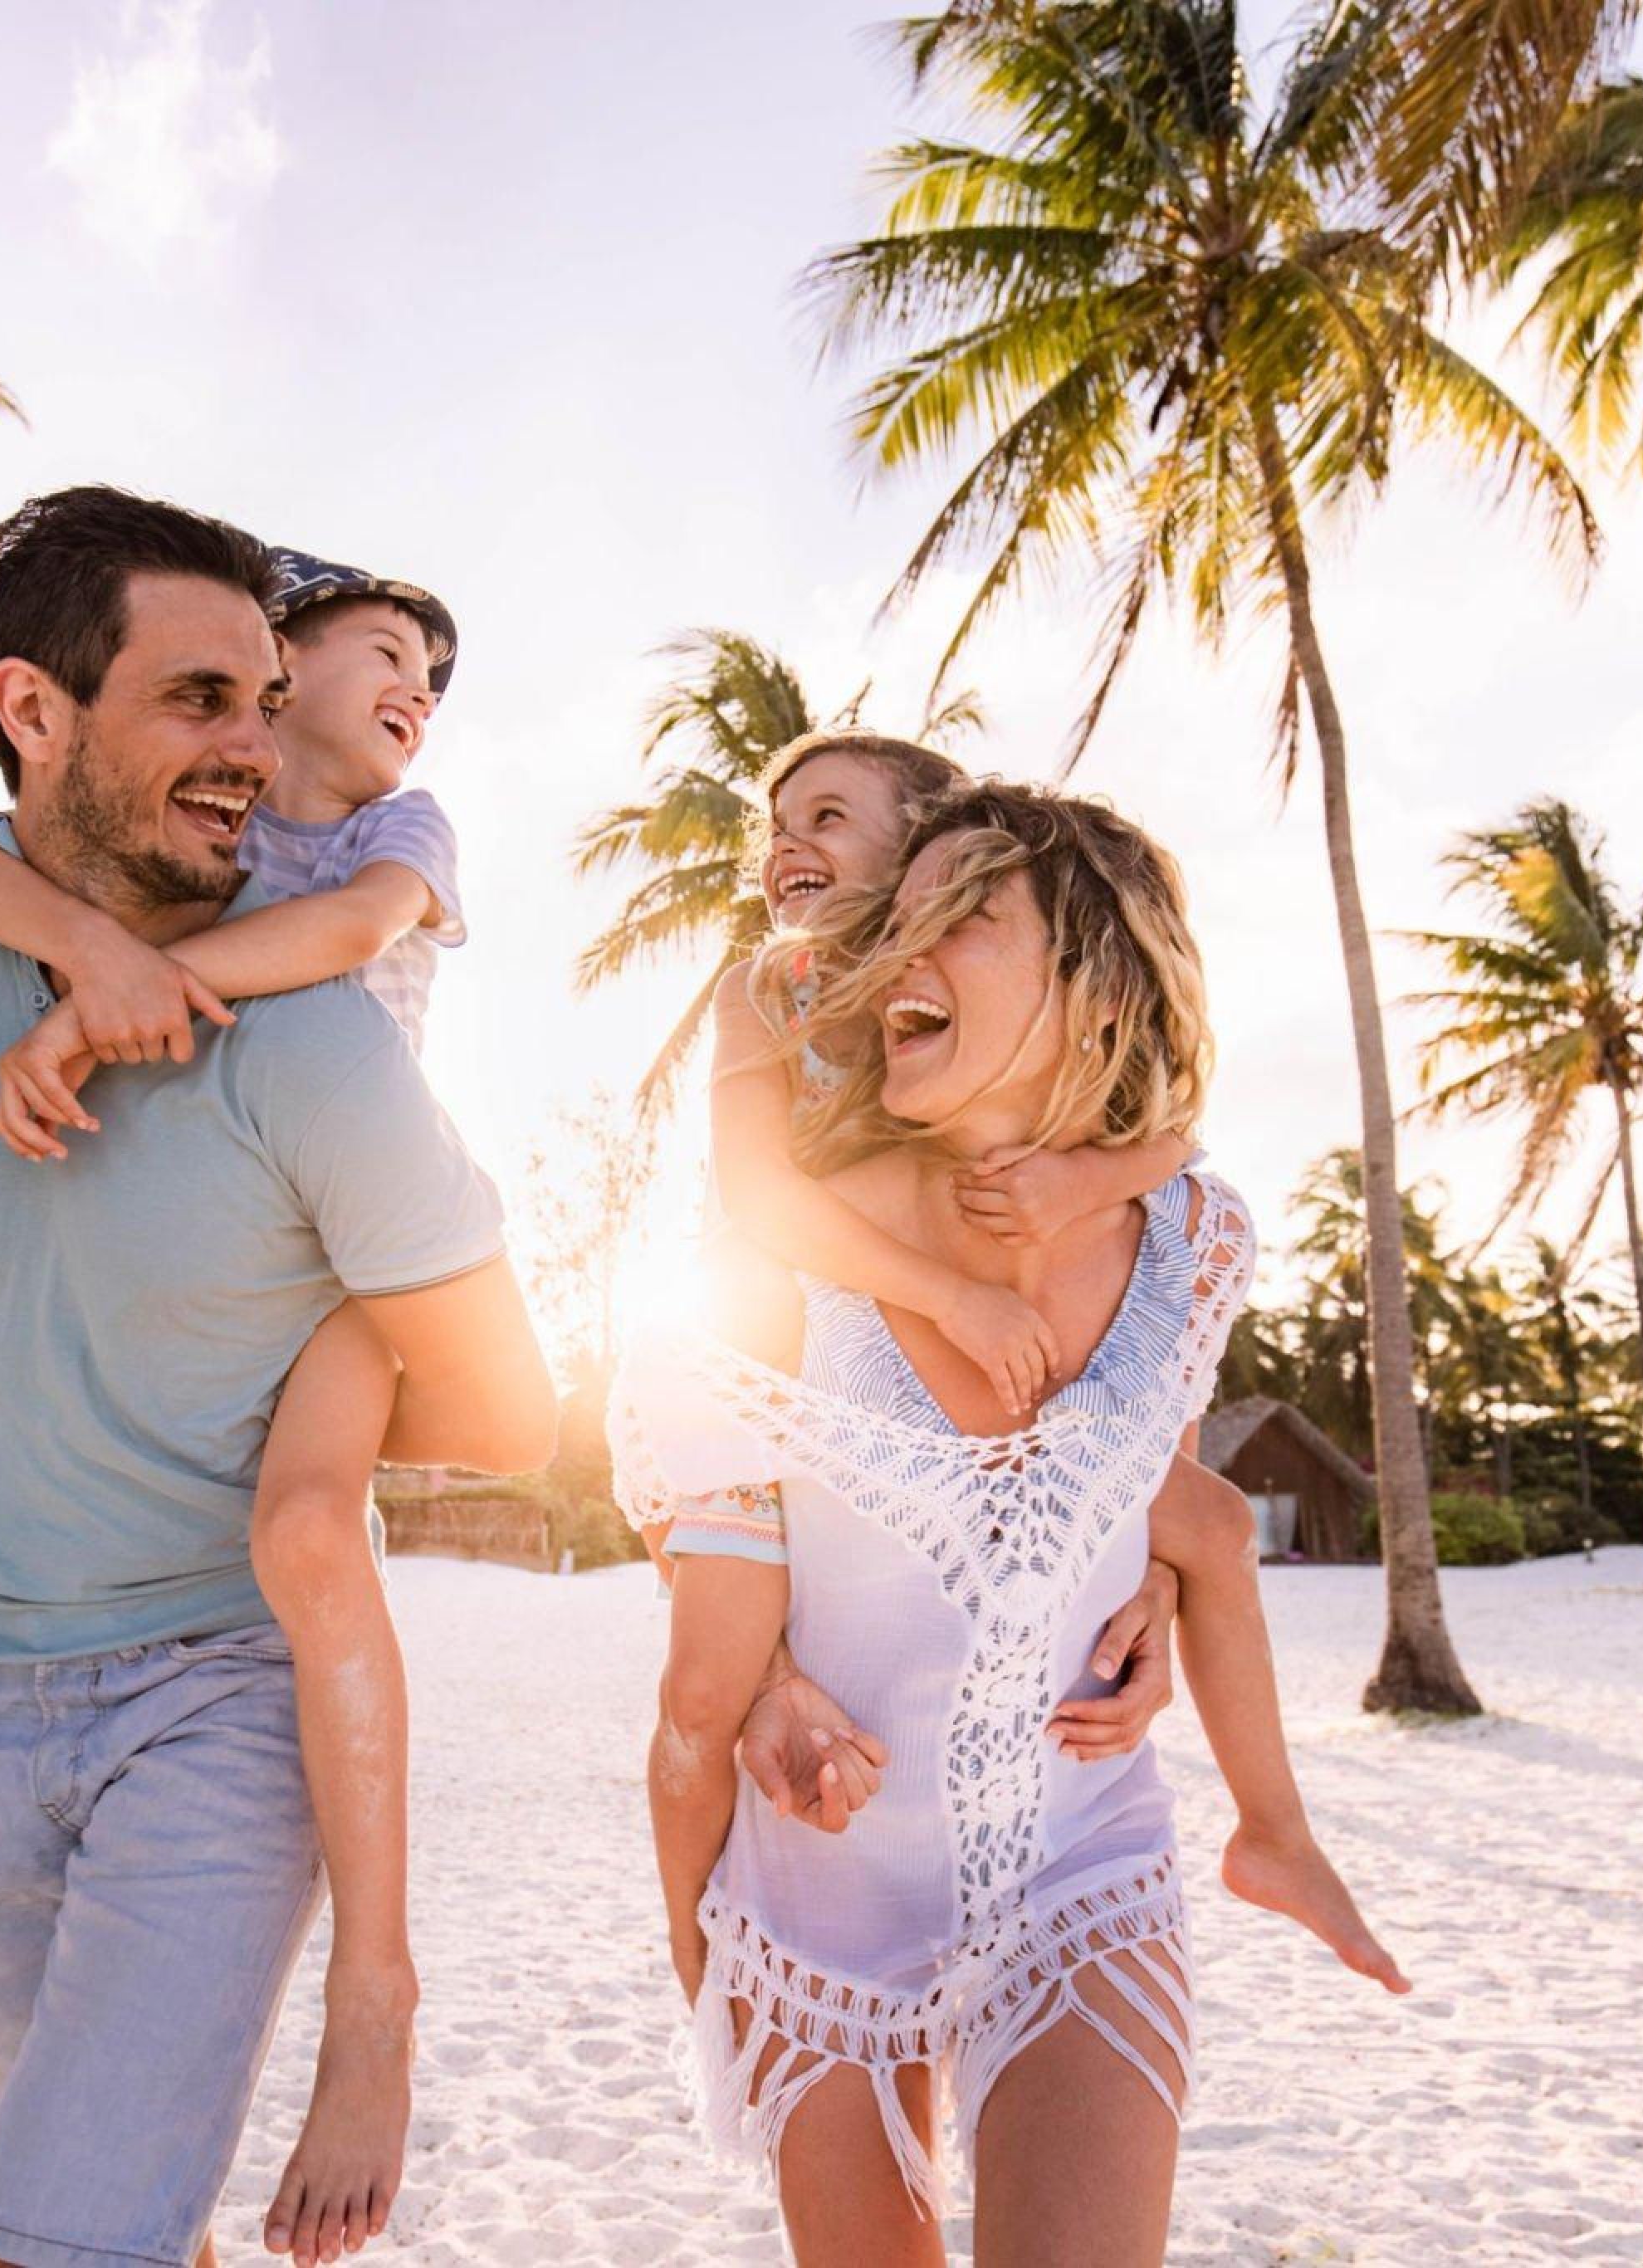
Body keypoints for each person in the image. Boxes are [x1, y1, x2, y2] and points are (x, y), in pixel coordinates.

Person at [0, 484, 555, 2268]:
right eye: (197, 701)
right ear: (32, 712)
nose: (244, 744)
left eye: (253, 696)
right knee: (124, 2222)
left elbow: (513, 1416)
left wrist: (331, 1338)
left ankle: (381, 1994)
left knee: (48, 2244)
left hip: (218, 1701)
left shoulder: (318, 1043)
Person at [619, 782, 1401, 2266]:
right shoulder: (784, 1248)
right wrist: (769, 1691)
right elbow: (683, 1500)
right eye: (896, 919)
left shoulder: (1196, 1239)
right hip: (813, 1915)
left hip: (1078, 1868)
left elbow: (1150, 1495)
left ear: (1095, 982)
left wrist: (1163, 1593)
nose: (904, 952)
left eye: (962, 920)